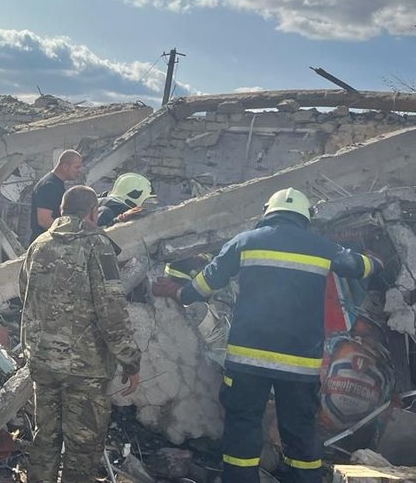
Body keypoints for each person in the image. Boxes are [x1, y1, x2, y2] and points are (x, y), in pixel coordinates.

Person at [151, 188, 382, 483]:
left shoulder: (246, 241)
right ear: (303, 217)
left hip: (248, 360)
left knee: (243, 426)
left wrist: (180, 292)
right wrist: (376, 261)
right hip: (299, 365)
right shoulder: (319, 245)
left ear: (267, 211)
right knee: (299, 431)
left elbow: (208, 282)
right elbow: (356, 266)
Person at [20, 185, 142, 482]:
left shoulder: (39, 244)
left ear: (61, 210)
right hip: (85, 369)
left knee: (44, 439)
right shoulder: (97, 245)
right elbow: (111, 309)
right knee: (82, 447)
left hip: (43, 362)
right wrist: (130, 360)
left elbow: (25, 294)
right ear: (93, 213)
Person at [29, 150, 82, 242]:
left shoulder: (56, 184)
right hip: (45, 244)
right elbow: (44, 220)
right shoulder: (49, 186)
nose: (79, 171)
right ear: (65, 166)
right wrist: (67, 234)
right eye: (76, 167)